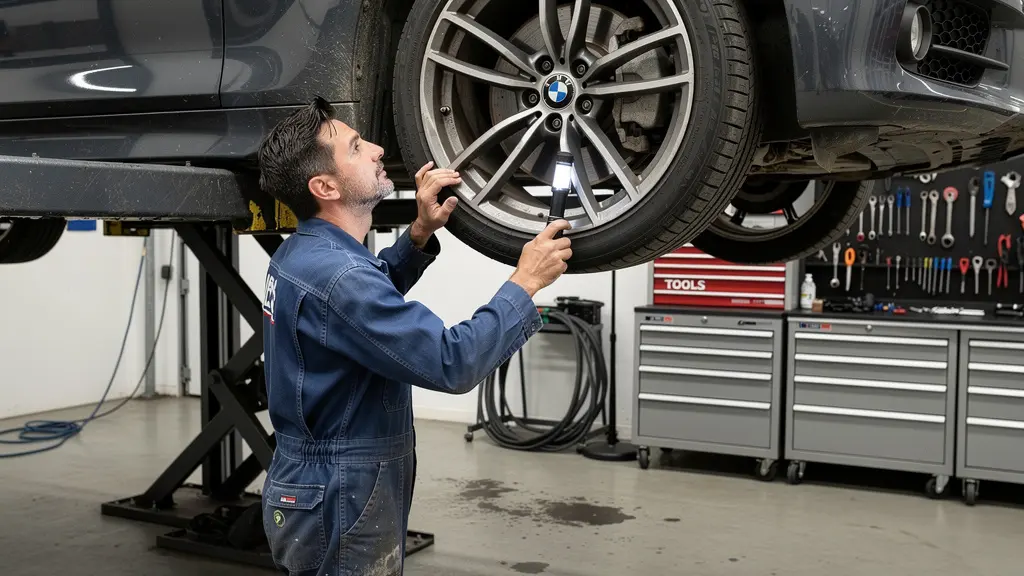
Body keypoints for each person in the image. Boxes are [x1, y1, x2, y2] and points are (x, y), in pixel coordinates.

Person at [254, 96, 572, 576]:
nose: (378, 149)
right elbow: (452, 362)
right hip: (341, 488)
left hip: (320, 479)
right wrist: (525, 282)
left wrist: (420, 232)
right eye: (356, 147)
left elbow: (358, 315)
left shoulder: (305, 255)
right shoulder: (339, 276)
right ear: (325, 186)